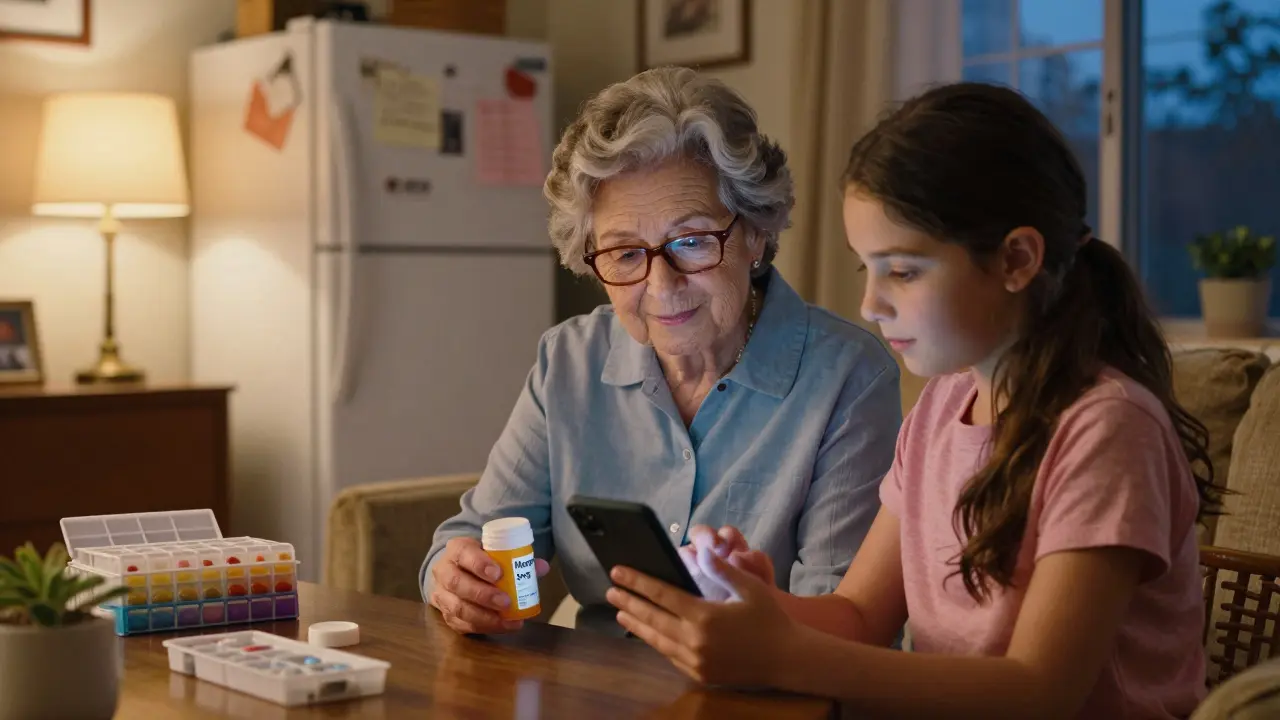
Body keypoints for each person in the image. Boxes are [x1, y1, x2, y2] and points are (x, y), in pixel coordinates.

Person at [606, 82, 1219, 718]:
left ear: (1016, 259)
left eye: (903, 270)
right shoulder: (939, 408)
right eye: (866, 269)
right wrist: (758, 605)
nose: (872, 305)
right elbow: (860, 615)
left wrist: (782, 655)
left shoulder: (1108, 429)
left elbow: (1040, 691)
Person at [421, 67, 902, 637]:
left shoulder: (847, 377)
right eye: (625, 254)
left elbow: (843, 624)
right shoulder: (568, 361)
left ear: (754, 234)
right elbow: (479, 532)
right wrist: (455, 577)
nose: (660, 285)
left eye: (692, 241)